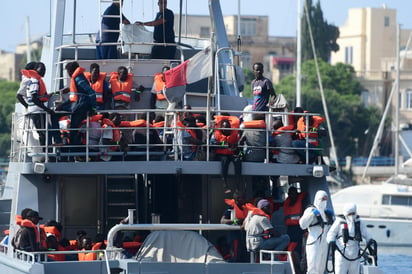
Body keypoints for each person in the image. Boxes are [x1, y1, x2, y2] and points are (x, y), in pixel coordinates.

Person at [327, 203, 374, 274]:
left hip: (355, 253)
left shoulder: (359, 222)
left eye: (353, 213)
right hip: (341, 253)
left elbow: (366, 234)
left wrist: (370, 240)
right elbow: (331, 233)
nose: (352, 216)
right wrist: (331, 241)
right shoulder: (339, 222)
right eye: (350, 214)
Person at [59, 61, 96, 151]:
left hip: (80, 105)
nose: (67, 73)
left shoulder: (79, 79)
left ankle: (73, 149)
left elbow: (91, 93)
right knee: (72, 127)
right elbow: (75, 94)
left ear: (71, 70)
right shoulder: (78, 78)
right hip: (77, 104)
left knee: (73, 129)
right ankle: (66, 142)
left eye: (68, 71)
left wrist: (93, 108)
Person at [299, 190, 334, 274]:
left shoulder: (326, 213)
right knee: (313, 267)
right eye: (322, 199)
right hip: (314, 242)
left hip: (324, 243)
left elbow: (332, 228)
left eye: (325, 199)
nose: (323, 201)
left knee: (321, 269)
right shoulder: (310, 210)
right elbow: (302, 224)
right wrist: (312, 214)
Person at [211, 115, 242, 193]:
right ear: (221, 128)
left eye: (228, 128)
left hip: (232, 153)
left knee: (238, 160)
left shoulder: (235, 133)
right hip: (220, 154)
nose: (227, 131)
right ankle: (225, 185)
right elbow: (212, 144)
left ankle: (238, 186)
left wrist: (235, 146)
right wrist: (223, 144)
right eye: (225, 128)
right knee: (224, 161)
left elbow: (239, 143)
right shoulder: (215, 133)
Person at [220, 191, 253, 262]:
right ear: (238, 199)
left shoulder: (247, 207)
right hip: (235, 237)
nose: (245, 199)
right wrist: (235, 221)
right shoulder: (231, 208)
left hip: (245, 237)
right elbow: (222, 221)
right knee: (236, 257)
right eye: (243, 198)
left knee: (245, 257)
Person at [283, 187, 308, 265]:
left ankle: (300, 262)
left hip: (299, 228)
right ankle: (292, 261)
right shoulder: (287, 202)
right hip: (290, 229)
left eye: (293, 193)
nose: (292, 195)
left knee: (299, 246)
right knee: (290, 245)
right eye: (290, 194)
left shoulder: (302, 202)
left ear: (297, 194)